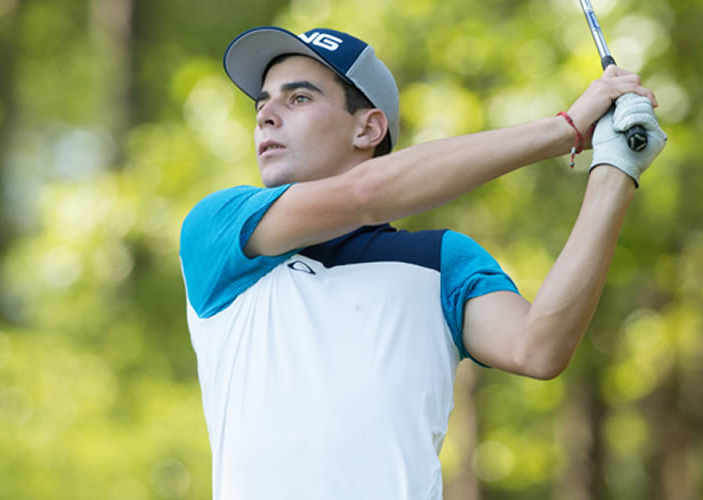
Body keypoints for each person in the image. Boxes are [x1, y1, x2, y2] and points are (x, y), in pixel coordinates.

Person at [178, 26, 666, 499]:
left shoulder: (441, 262)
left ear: (368, 127)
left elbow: (538, 348)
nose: (266, 116)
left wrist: (615, 168)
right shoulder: (220, 234)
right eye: (262, 104)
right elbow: (366, 194)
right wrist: (565, 129)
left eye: (298, 98)